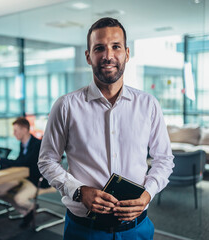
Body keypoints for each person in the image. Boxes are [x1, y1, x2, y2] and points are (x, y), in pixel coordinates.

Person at [38, 17, 174, 240]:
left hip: (136, 229)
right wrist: (79, 191)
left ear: (127, 54)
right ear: (88, 56)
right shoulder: (66, 106)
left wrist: (147, 193)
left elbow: (164, 159)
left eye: (116, 47)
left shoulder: (148, 104)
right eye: (99, 48)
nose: (108, 55)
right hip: (84, 230)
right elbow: (46, 161)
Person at [0, 117, 45, 228]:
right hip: (23, 177)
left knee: (19, 198)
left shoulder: (36, 144)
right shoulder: (23, 144)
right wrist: (1, 167)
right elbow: (19, 161)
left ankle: (30, 207)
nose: (14, 133)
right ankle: (27, 212)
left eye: (15, 130)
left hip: (35, 179)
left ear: (24, 129)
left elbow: (23, 162)